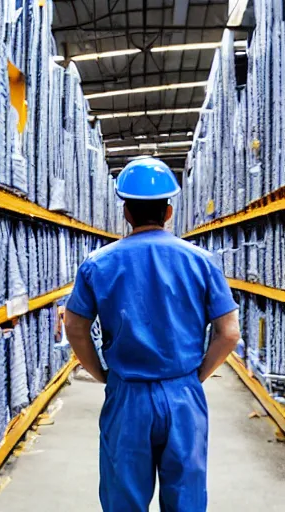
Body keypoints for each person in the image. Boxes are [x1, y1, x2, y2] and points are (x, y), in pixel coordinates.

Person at [64, 157, 240, 512]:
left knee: (123, 497)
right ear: (170, 211)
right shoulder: (201, 261)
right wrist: (196, 376)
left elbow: (74, 326)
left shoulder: (98, 263)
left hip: (127, 396)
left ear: (126, 212)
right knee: (186, 495)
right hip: (183, 394)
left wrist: (101, 374)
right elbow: (229, 333)